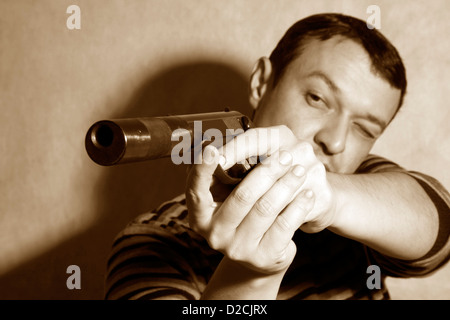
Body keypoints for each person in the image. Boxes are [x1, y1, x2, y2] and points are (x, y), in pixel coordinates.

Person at [104, 13, 450, 300]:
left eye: (366, 129)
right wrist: (254, 275)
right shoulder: (156, 240)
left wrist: (327, 200)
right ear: (261, 83)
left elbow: (439, 231)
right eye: (317, 98)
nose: (335, 140)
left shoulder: (362, 180)